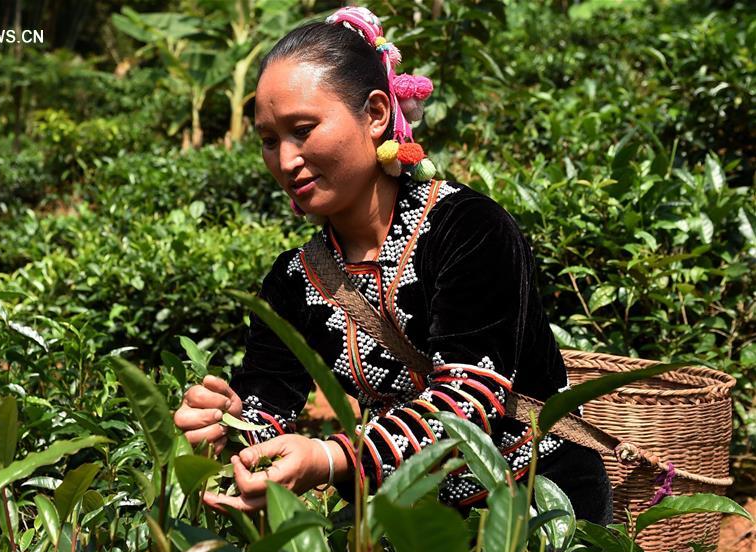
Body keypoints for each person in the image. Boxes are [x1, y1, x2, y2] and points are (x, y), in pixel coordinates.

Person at [173, 6, 612, 524]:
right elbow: (268, 401)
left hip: (535, 509)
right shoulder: (295, 279)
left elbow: (468, 404)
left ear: (377, 114)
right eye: (270, 140)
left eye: (303, 129)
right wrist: (232, 425)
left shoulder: (469, 230)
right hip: (410, 520)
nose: (286, 160)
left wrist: (333, 457)